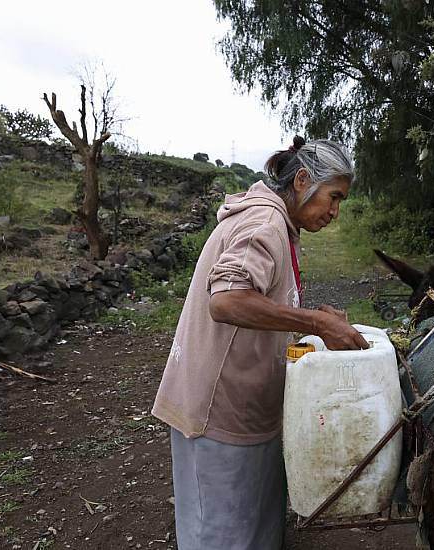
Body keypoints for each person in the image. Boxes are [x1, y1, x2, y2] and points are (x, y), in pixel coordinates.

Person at [151, 136, 369, 550]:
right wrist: (316, 324)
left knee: (254, 527)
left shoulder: (281, 226)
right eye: (334, 197)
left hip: (247, 406)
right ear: (304, 181)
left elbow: (262, 296)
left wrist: (311, 317)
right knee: (221, 535)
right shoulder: (263, 224)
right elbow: (228, 300)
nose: (336, 213)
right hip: (216, 411)